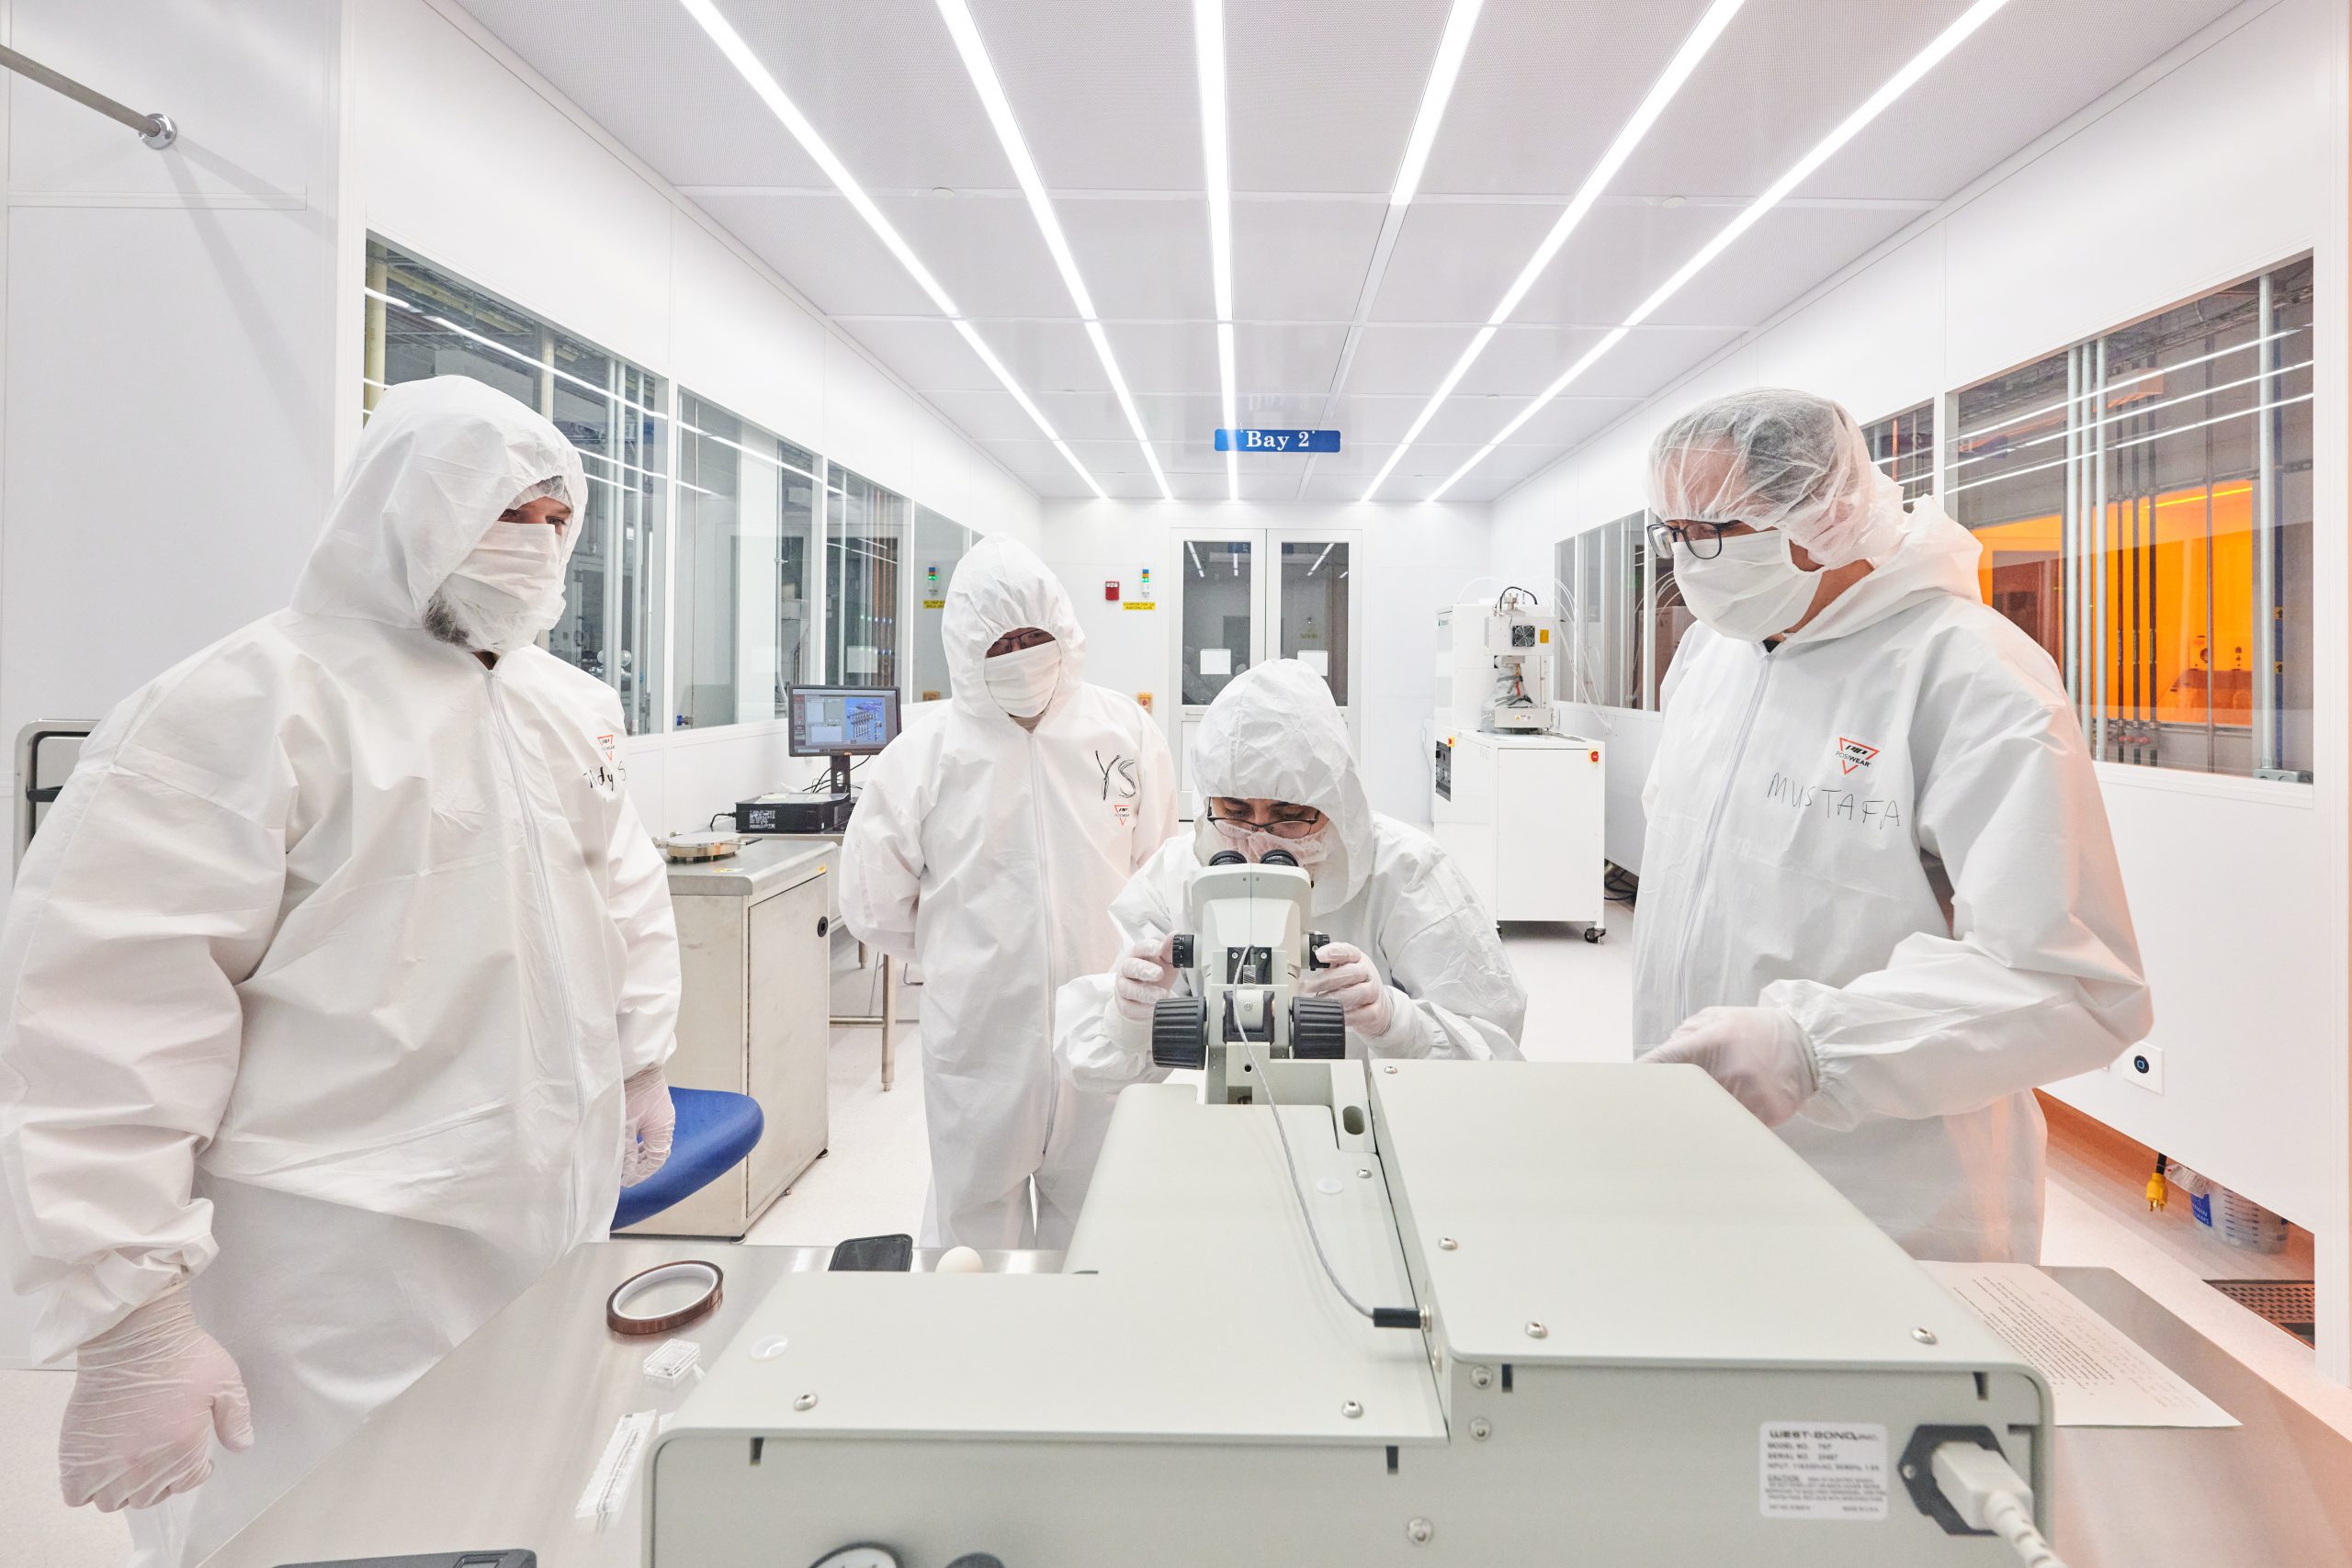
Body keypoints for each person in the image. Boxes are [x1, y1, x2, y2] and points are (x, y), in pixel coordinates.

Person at [0, 377, 682, 1564]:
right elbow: (98, 1025)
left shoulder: (564, 705)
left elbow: (623, 893)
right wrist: (133, 1319)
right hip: (326, 1268)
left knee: (521, 1514)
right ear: (403, 508)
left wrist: (641, 1061)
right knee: (316, 1533)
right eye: (504, 512)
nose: (538, 544)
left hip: (543, 1227)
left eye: (555, 516)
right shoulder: (245, 705)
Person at [1632, 387, 2150, 1263]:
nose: (1690, 562)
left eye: (1714, 532)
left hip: (1887, 1202)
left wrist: (1814, 1047)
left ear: (1826, 516)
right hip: (1693, 1166)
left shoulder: (1969, 674)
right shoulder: (1709, 660)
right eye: (1673, 533)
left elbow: (2073, 984)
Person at [839, 536, 1175, 1250]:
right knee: (973, 1245)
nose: (1022, 656)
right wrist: (970, 954)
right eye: (1001, 643)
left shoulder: (1122, 733)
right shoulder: (923, 757)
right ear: (965, 649)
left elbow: (1155, 868)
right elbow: (874, 904)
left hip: (1106, 1026)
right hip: (981, 1040)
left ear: (1065, 631)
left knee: (1100, 1230)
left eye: (1035, 636)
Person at [1062, 659, 1526, 1087]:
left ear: (1335, 803)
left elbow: (1495, 1055)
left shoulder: (1406, 871)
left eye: (1289, 813)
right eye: (1236, 809)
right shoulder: (1179, 874)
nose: (1260, 841)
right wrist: (1130, 1018)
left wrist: (1396, 1023)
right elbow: (1089, 1062)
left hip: (1385, 1112)